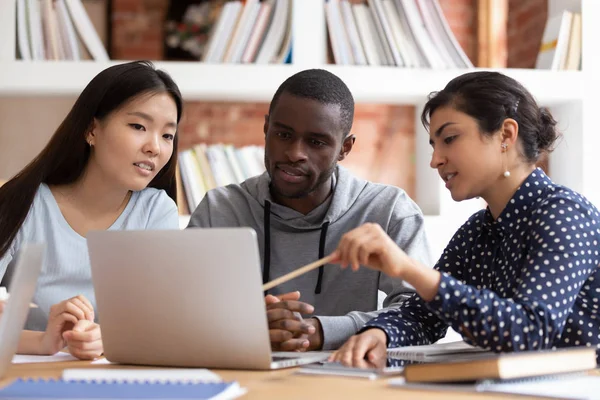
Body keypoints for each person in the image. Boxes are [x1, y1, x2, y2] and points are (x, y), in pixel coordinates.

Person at [328, 71, 600, 367]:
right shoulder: (476, 232)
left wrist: (408, 268)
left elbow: (530, 332)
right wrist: (381, 335)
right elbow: (424, 317)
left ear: (506, 135)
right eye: (434, 145)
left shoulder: (565, 213)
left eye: (450, 138)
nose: (435, 160)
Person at [188, 69, 431, 351]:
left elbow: (421, 317)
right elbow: (179, 312)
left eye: (316, 142)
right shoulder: (219, 210)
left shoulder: (390, 211)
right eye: (283, 134)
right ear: (266, 129)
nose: (295, 153)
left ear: (345, 148)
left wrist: (321, 331)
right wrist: (245, 325)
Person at [0, 61, 183, 359]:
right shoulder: (23, 204)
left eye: (167, 135)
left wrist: (109, 339)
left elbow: (162, 324)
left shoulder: (156, 211)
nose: (155, 147)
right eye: (138, 126)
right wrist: (45, 341)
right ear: (91, 130)